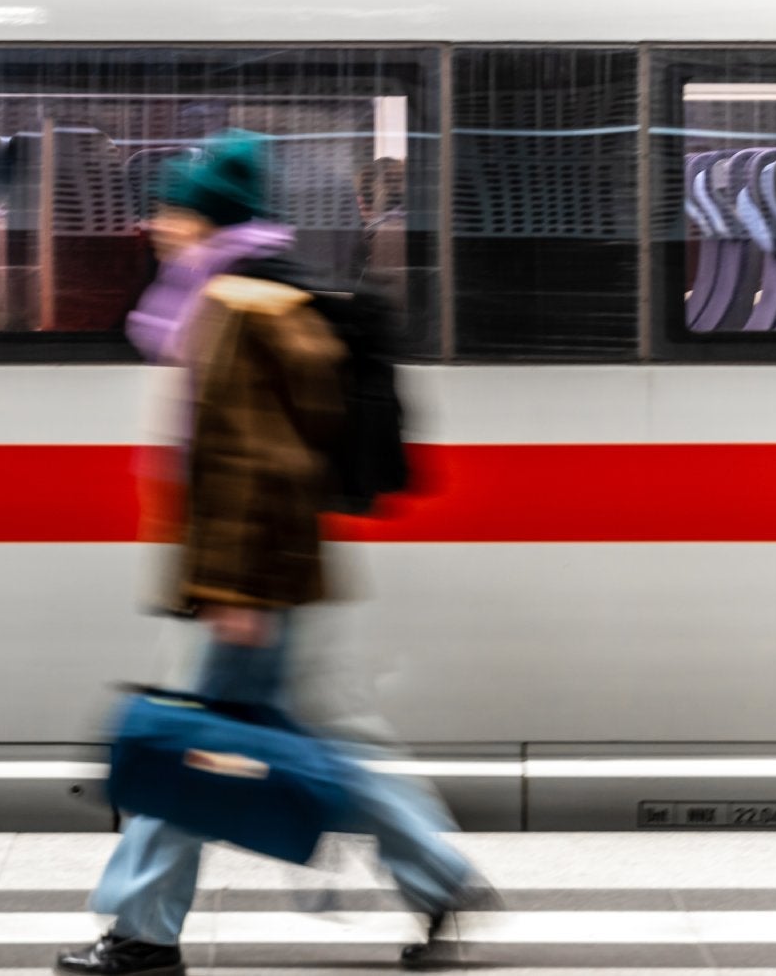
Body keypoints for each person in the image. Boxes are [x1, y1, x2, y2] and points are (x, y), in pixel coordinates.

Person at [56, 131, 474, 976]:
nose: (156, 226)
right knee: (319, 745)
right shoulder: (242, 298)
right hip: (270, 574)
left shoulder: (239, 309)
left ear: (208, 220)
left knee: (182, 747)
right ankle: (438, 875)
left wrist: (232, 592)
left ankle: (141, 931)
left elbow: (256, 462)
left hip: (247, 581)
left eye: (171, 211)